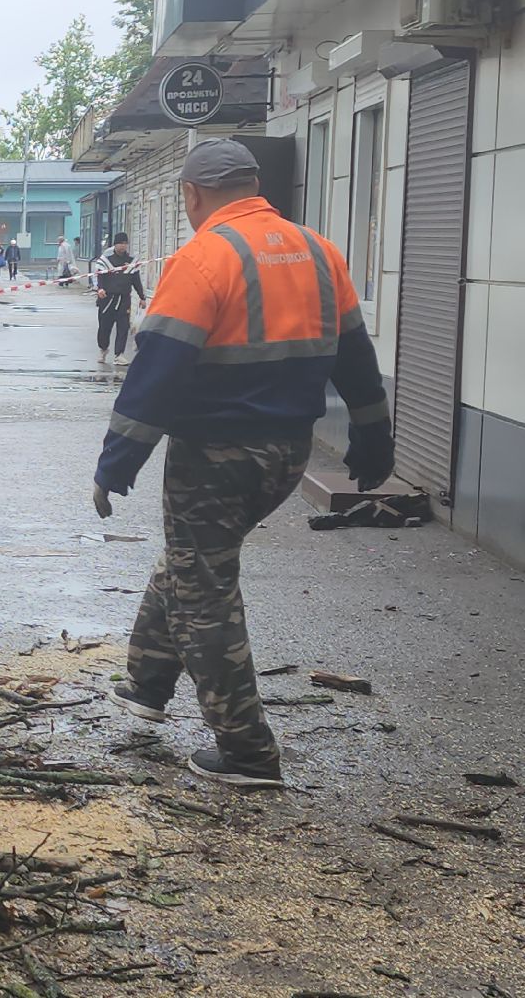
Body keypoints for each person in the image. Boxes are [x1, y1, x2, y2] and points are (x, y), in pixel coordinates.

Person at [93, 139, 394, 789]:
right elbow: (356, 356)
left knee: (204, 590)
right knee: (190, 557)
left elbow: (157, 371)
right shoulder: (320, 253)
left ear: (192, 196)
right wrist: (374, 436)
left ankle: (247, 750)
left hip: (214, 456)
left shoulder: (202, 257)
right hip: (285, 456)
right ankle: (147, 681)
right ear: (257, 187)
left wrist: (117, 462)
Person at [93, 232, 144, 366]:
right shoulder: (106, 260)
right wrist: (100, 289)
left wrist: (142, 297)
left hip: (124, 299)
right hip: (107, 299)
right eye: (120, 243)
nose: (122, 246)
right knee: (104, 327)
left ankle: (119, 354)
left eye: (125, 243)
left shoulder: (132, 261)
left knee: (123, 327)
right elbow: (99, 277)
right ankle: (103, 349)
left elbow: (136, 280)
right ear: (115, 244)